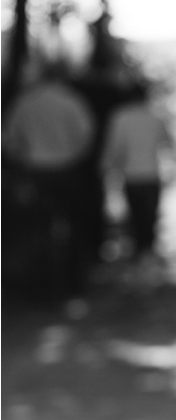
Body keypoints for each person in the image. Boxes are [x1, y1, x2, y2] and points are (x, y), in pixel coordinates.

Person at [3, 65, 96, 300]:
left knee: (38, 229)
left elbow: (8, 140)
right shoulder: (71, 100)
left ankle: (41, 286)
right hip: (66, 171)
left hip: (36, 172)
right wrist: (72, 158)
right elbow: (86, 135)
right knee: (72, 225)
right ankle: (72, 284)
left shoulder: (25, 102)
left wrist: (23, 160)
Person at [101, 82, 176, 270]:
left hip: (131, 176)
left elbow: (114, 147)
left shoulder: (120, 118)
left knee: (135, 219)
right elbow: (168, 143)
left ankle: (138, 260)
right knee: (150, 219)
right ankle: (148, 259)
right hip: (151, 175)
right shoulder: (155, 117)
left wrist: (107, 169)